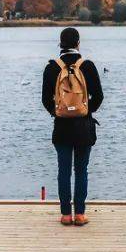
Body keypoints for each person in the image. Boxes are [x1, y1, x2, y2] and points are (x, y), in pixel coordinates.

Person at [41, 27, 104, 226]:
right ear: (78, 43)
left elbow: (45, 100)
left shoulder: (52, 67)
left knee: (64, 171)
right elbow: (99, 96)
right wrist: (86, 111)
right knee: (81, 170)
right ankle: (81, 214)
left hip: (61, 127)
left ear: (60, 44)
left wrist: (58, 112)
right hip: (83, 127)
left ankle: (66, 215)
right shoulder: (88, 66)